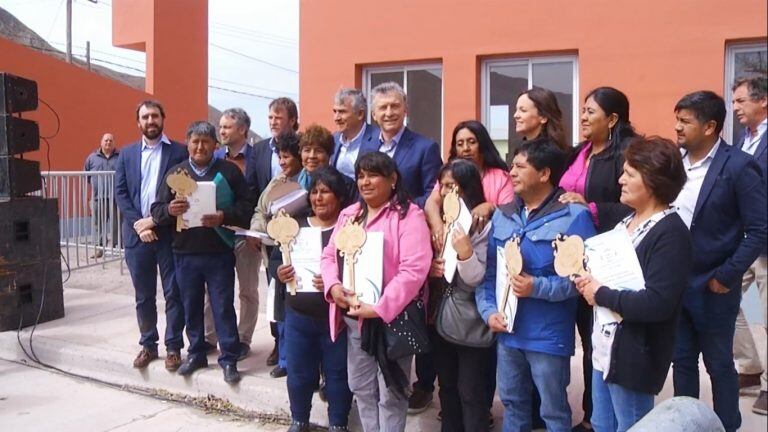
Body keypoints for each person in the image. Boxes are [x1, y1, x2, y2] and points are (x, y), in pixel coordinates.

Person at [475, 138, 596, 431]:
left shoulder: (573, 217)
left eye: (520, 166)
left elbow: (582, 280)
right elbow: (489, 274)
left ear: (544, 173)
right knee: (512, 404)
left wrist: (536, 287)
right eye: (511, 166)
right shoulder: (503, 215)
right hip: (508, 332)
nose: (511, 173)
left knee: (553, 410)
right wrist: (488, 311)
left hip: (547, 335)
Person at [574, 136, 691, 432]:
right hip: (605, 351)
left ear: (651, 180)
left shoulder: (671, 233)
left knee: (632, 426)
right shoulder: (625, 222)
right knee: (603, 425)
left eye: (629, 173)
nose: (620, 179)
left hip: (635, 358)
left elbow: (658, 302)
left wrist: (600, 293)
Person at [671, 90, 767, 432]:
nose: (678, 128)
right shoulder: (673, 162)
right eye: (677, 120)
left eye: (685, 121)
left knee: (719, 364)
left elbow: (758, 229)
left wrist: (726, 276)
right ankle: (687, 424)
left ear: (710, 126)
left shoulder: (738, 166)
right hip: (676, 283)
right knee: (681, 363)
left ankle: (727, 425)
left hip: (714, 284)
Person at [321, 151, 432, 432]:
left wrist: (380, 307)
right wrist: (333, 286)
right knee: (360, 386)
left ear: (392, 179)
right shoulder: (350, 215)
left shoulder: (409, 216)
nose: (365, 182)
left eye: (373, 175)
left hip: (391, 320)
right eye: (360, 176)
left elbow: (414, 269)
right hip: (355, 318)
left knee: (391, 392)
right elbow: (329, 256)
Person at [416, 119, 512, 414]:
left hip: (478, 292)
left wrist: (489, 206)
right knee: (449, 377)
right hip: (445, 294)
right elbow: (433, 203)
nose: (466, 147)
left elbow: (511, 208)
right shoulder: (447, 180)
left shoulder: (499, 177)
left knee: (475, 376)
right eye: (460, 142)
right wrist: (437, 227)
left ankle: (480, 412)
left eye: (471, 141)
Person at [151, 121, 255, 384]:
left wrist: (223, 216)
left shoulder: (229, 172)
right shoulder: (176, 174)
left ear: (215, 145)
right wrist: (169, 211)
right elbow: (157, 209)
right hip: (184, 252)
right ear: (187, 143)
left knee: (222, 306)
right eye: (195, 141)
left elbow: (246, 208)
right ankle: (196, 352)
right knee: (191, 306)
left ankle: (229, 358)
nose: (200, 147)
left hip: (218, 251)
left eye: (205, 142)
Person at [559, 87, 636, 432]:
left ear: (613, 119)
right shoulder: (580, 152)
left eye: (591, 111)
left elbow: (638, 205)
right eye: (583, 110)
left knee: (601, 338)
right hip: (573, 257)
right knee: (582, 338)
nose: (584, 117)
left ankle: (598, 418)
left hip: (608, 258)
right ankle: (593, 413)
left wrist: (589, 208)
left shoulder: (628, 153)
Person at [275, 167, 354, 432]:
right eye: (315, 192)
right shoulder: (294, 227)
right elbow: (277, 260)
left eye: (326, 192)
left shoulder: (348, 230)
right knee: (299, 373)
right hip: (298, 316)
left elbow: (359, 268)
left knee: (337, 374)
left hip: (335, 319)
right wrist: (280, 271)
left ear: (340, 197)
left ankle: (338, 423)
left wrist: (335, 280)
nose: (318, 198)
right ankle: (298, 420)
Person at [114, 100, 187, 371]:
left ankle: (173, 347)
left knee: (173, 293)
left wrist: (154, 222)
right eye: (145, 117)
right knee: (143, 295)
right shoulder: (127, 154)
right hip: (137, 237)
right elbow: (120, 193)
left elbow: (182, 195)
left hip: (168, 233)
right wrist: (139, 225)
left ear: (163, 118)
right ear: (138, 122)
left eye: (155, 115)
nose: (150, 121)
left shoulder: (178, 152)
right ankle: (148, 345)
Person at [428, 158, 494, 432]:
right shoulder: (438, 225)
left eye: (451, 186)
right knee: (447, 388)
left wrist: (465, 253)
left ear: (467, 189)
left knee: (471, 391)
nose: (445, 192)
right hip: (440, 316)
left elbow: (476, 278)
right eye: (442, 186)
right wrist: (431, 269)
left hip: (471, 319)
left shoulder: (482, 225)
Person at [199, 108, 259, 361]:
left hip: (246, 234)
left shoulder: (258, 157)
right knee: (214, 289)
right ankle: (209, 337)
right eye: (220, 127)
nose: (221, 131)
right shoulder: (213, 158)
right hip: (217, 234)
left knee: (247, 289)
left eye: (226, 127)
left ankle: (243, 339)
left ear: (242, 130)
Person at [245, 97, 299, 368]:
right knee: (276, 301)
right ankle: (281, 348)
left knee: (296, 304)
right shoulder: (263, 154)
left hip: (299, 250)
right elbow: (258, 203)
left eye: (279, 117)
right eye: (270, 118)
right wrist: (256, 232)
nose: (273, 122)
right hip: (272, 249)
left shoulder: (307, 178)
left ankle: (296, 356)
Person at [731, 76, 767, 415]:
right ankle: (749, 366)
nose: (736, 108)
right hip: (742, 241)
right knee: (730, 303)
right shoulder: (745, 140)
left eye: (741, 101)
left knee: (767, 315)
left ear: (763, 101)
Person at [363, 81, 442, 208]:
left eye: (394, 106)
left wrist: (398, 209)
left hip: (408, 222)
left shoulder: (426, 148)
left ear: (405, 111)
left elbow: (433, 194)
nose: (389, 113)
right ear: (374, 115)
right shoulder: (366, 147)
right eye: (383, 107)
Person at [331, 88, 380, 181]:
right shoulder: (334, 139)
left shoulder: (379, 139)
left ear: (360, 114)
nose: (336, 118)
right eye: (335, 111)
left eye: (342, 112)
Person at [84, 132, 120, 258]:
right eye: (106, 140)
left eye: (110, 140)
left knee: (117, 224)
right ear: (101, 142)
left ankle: (117, 248)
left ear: (114, 142)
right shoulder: (92, 158)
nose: (108, 143)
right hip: (98, 198)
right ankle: (99, 249)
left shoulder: (120, 157)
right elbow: (87, 176)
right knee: (98, 225)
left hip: (116, 198)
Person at [514, 87, 570, 151]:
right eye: (516, 110)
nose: (515, 115)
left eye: (523, 110)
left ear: (543, 117)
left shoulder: (551, 153)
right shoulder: (521, 149)